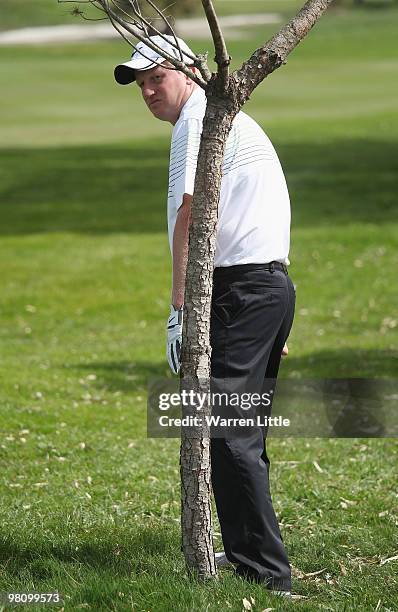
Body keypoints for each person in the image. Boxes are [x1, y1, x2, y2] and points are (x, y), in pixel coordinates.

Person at [115, 35, 295, 595]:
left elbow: (191, 213)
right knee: (240, 434)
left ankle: (266, 576)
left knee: (228, 435)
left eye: (156, 77)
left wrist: (177, 309)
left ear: (190, 71)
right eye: (139, 83)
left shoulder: (199, 122)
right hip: (265, 288)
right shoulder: (221, 116)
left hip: (240, 290)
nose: (147, 90)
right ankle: (258, 562)